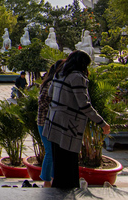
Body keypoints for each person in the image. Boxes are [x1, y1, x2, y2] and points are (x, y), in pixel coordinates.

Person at [43, 50, 110, 190]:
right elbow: (84, 105)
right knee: (69, 160)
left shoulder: (59, 74)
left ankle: (58, 188)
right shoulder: (77, 77)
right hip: (68, 126)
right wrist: (101, 123)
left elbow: (50, 94)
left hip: (53, 122)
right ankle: (67, 189)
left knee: (58, 159)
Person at [37, 60, 64, 188]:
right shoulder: (50, 84)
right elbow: (42, 102)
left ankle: (53, 179)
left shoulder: (55, 82)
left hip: (52, 122)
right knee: (50, 152)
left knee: (53, 151)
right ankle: (46, 181)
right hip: (45, 122)